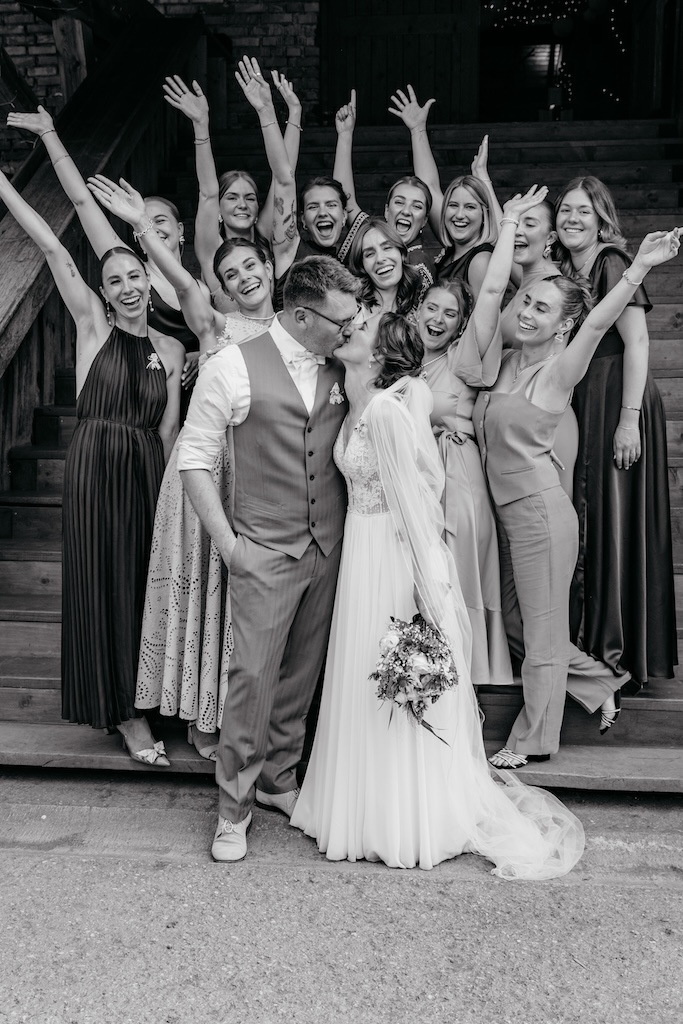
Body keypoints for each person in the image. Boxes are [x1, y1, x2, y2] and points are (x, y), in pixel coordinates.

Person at [290, 311, 585, 878]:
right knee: (361, 677)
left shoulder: (386, 411)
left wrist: (426, 589)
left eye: (361, 328)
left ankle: (406, 818)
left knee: (394, 677)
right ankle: (358, 807)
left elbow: (418, 500)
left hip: (393, 555)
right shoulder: (358, 404)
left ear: (379, 353)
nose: (349, 329)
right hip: (360, 554)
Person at [462, 186, 680, 769]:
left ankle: (532, 739)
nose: (528, 312)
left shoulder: (561, 370)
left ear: (564, 326)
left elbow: (603, 319)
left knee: (539, 634)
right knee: (513, 623)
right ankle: (599, 681)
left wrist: (638, 268)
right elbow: (491, 293)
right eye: (528, 302)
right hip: (503, 514)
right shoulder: (504, 361)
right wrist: (508, 225)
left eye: (543, 309)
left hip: (540, 515)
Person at [177, 255, 362, 861]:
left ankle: (280, 780)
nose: (350, 328)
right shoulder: (231, 366)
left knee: (301, 673)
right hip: (263, 548)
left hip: (328, 546)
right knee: (252, 679)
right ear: (303, 316)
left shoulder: (345, 365)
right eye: (340, 320)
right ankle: (233, 808)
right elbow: (194, 459)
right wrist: (230, 546)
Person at [88, 174, 277, 761]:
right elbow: (180, 280)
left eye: (250, 267)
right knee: (201, 593)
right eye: (230, 275)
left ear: (271, 267)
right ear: (221, 288)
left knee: (237, 602)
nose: (242, 279)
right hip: (204, 474)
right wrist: (142, 229)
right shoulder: (215, 326)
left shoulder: (294, 334)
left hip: (259, 478)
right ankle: (198, 719)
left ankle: (233, 711)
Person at [0, 169, 184, 764]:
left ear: (149, 281)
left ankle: (146, 698)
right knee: (101, 582)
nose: (127, 288)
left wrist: (171, 498)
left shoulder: (172, 350)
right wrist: (3, 186)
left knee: (141, 585)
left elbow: (168, 430)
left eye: (134, 276)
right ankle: (125, 715)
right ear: (102, 292)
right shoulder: (92, 327)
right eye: (114, 281)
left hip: (147, 468)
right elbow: (52, 245)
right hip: (95, 467)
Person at [554, 176, 677, 686]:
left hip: (619, 396)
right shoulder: (567, 266)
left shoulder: (611, 263)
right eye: (565, 210)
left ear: (601, 218)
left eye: (583, 211)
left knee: (614, 517)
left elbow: (638, 342)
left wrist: (628, 420)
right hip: (590, 396)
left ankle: (617, 649)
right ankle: (595, 642)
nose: (572, 219)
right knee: (596, 514)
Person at [7, 106, 204, 399]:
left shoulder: (201, 288)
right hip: (143, 393)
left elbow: (226, 332)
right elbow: (82, 202)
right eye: (144, 219)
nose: (152, 226)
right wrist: (49, 133)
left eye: (159, 220)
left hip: (195, 394)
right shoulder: (132, 273)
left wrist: (205, 353)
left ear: (180, 229)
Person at [416, 280, 513, 687]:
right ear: (416, 310)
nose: (438, 319)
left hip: (456, 475)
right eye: (431, 308)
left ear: (461, 326)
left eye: (450, 313)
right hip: (418, 479)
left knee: (459, 571)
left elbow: (491, 294)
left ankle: (469, 676)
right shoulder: (402, 358)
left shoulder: (460, 357)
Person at [162, 71, 302, 312]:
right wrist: (201, 126)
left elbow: (284, 176)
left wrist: (289, 113)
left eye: (250, 198)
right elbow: (208, 193)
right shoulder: (212, 248)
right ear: (218, 209)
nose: (242, 204)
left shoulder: (267, 237)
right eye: (232, 197)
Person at [234, 56, 368, 305]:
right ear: (302, 221)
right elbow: (284, 179)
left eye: (331, 205)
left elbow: (345, 195)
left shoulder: (354, 258)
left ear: (344, 215)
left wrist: (344, 136)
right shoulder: (291, 250)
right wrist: (267, 112)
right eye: (313, 207)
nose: (323, 212)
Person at [498, 197, 579, 499]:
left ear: (551, 238)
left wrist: (537, 431)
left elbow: (556, 364)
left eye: (529, 224)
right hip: (514, 425)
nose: (517, 230)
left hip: (542, 425)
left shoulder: (552, 288)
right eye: (514, 223)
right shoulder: (526, 282)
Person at [388, 85, 494, 298]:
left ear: (484, 215)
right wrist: (418, 130)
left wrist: (483, 177)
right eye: (453, 205)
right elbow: (429, 185)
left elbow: (484, 316)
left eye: (470, 207)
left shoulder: (480, 260)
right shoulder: (452, 249)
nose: (459, 214)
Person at [332, 89, 435, 288]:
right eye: (399, 202)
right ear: (387, 211)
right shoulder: (373, 235)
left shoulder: (418, 265)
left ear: (425, 220)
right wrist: (345, 135)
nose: (406, 211)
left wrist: (418, 131)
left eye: (416, 206)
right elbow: (346, 201)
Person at [347, 217, 423, 320]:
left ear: (401, 253)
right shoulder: (352, 313)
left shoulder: (418, 314)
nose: (380, 259)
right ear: (362, 266)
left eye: (387, 248)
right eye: (370, 254)